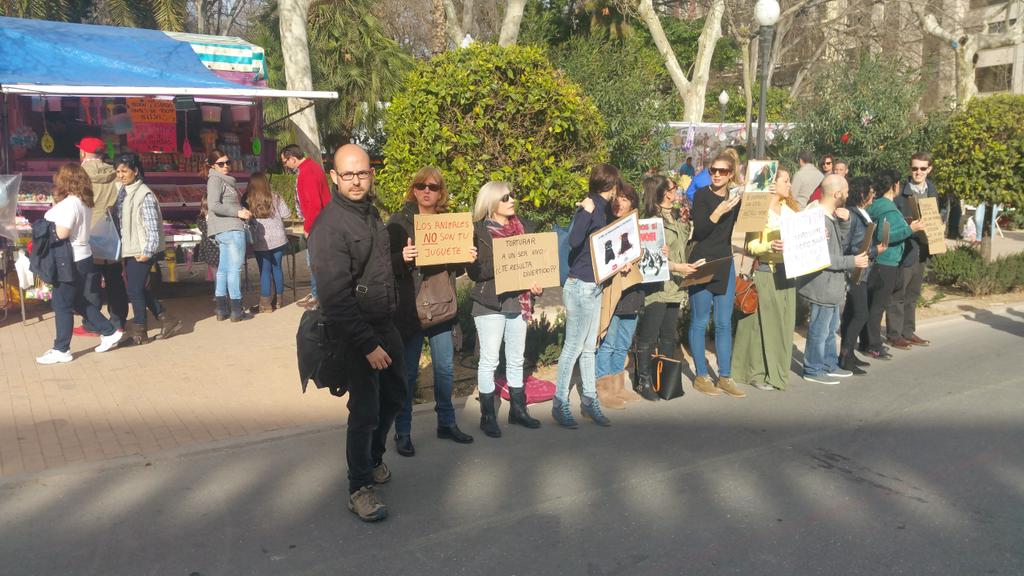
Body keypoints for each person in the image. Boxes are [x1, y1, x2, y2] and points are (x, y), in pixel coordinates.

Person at [309, 144, 405, 522]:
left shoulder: (370, 213)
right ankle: (359, 487)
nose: (355, 180)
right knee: (364, 411)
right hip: (355, 334)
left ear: (371, 174)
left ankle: (373, 458)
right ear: (334, 176)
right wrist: (367, 345)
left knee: (395, 397)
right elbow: (335, 298)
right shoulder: (330, 226)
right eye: (347, 174)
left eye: (362, 173)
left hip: (385, 324)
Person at [387, 167, 476, 455]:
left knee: (445, 370)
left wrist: (467, 257)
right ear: (413, 189)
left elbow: (456, 267)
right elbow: (383, 263)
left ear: (441, 193)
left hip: (443, 306)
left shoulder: (449, 223)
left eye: (433, 187)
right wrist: (401, 257)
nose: (427, 191)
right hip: (411, 310)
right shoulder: (398, 222)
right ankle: (402, 431)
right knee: (408, 373)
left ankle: (446, 423)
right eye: (421, 186)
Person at [467, 181, 543, 437]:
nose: (512, 201)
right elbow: (475, 273)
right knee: (490, 360)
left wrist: (535, 284)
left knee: (516, 358)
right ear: (491, 202)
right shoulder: (477, 231)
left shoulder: (524, 228)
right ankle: (488, 416)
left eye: (512, 196)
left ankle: (518, 410)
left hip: (517, 301)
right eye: (505, 197)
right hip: (490, 303)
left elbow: (534, 265)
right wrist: (504, 263)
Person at [552, 164, 619, 428]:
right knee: (573, 347)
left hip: (593, 284)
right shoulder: (590, 206)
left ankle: (589, 400)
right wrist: (586, 212)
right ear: (611, 185)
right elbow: (574, 240)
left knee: (590, 347)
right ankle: (560, 402)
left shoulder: (604, 209)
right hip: (580, 284)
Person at [35, 164, 123, 364]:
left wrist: (45, 228)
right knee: (78, 301)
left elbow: (62, 233)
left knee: (62, 304)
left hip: (69, 259)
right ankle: (109, 331)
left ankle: (62, 349)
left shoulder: (70, 204)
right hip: (83, 256)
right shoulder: (83, 202)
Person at [632, 176, 700, 400]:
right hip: (658, 286)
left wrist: (686, 222)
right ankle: (643, 381)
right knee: (649, 334)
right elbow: (650, 258)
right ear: (665, 193)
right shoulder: (652, 221)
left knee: (669, 335)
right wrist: (677, 266)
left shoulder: (675, 216)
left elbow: (681, 246)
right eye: (674, 188)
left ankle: (664, 379)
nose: (677, 191)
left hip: (675, 285)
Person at [732, 168, 799, 391]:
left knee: (783, 324)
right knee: (762, 325)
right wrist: (770, 245)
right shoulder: (759, 211)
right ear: (773, 184)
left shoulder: (790, 210)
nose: (789, 185)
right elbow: (751, 246)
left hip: (788, 272)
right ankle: (757, 372)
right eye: (785, 181)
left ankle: (777, 370)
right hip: (767, 271)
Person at [799, 175, 868, 385]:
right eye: (845, 192)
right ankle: (813, 369)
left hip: (832, 286)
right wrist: (852, 261)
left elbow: (838, 244)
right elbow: (822, 257)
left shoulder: (829, 215)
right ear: (837, 194)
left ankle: (829, 364)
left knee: (830, 328)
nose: (847, 195)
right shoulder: (816, 217)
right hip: (822, 285)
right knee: (819, 330)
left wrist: (845, 224)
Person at [688, 152, 744, 398]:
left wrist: (765, 192)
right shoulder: (702, 195)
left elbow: (753, 218)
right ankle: (701, 376)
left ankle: (725, 376)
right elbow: (700, 231)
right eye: (713, 170)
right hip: (702, 261)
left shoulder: (736, 198)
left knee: (723, 322)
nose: (717, 175)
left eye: (723, 171)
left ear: (730, 174)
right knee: (700, 321)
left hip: (725, 262)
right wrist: (718, 211)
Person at [113, 154, 181, 345]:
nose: (120, 175)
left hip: (141, 249)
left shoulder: (145, 195)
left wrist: (147, 252)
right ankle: (166, 319)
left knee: (134, 290)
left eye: (124, 171)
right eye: (118, 171)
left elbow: (152, 227)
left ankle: (140, 332)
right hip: (129, 247)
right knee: (139, 289)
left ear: (135, 171)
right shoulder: (123, 191)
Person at [594, 182, 646, 408]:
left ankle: (618, 386)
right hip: (612, 293)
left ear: (632, 203)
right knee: (608, 342)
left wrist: (661, 251)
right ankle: (603, 389)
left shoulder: (638, 228)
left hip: (633, 292)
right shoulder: (604, 226)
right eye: (616, 198)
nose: (618, 202)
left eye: (624, 199)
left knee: (623, 343)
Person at [864, 170, 924, 360]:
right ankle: (874, 345)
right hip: (887, 261)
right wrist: (910, 229)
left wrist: (904, 225)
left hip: (880, 261)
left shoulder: (877, 204)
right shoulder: (888, 208)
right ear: (894, 185)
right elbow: (885, 236)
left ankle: (867, 342)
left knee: (873, 304)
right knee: (877, 306)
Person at [76, 137, 128, 336]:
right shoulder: (115, 173)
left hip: (88, 234)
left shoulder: (80, 175)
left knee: (91, 281)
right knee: (115, 280)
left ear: (83, 152)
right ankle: (119, 322)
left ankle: (93, 324)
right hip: (111, 233)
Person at [886, 152, 938, 349]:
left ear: (929, 169)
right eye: (915, 168)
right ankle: (894, 334)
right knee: (898, 293)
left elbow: (935, 217)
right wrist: (909, 226)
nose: (918, 172)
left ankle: (908, 331)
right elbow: (893, 222)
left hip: (923, 249)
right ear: (910, 168)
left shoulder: (932, 190)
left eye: (923, 168)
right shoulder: (901, 193)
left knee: (913, 294)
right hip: (905, 249)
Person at [838, 176, 883, 375]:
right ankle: (845, 356)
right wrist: (874, 250)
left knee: (851, 312)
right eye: (871, 193)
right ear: (863, 193)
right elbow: (851, 246)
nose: (873, 196)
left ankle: (848, 353)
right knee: (861, 313)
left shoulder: (860, 213)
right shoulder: (853, 215)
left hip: (863, 269)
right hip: (856, 270)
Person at [281, 144, 332, 309]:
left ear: (292, 158)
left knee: (315, 262)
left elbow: (314, 204)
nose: (285, 166)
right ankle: (317, 294)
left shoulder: (307, 172)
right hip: (320, 223)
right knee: (315, 262)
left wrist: (308, 228)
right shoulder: (311, 168)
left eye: (285, 162)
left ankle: (319, 298)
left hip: (318, 225)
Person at [206, 148, 252, 322]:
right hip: (230, 229)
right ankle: (236, 310)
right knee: (234, 270)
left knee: (224, 270)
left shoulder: (224, 180)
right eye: (221, 164)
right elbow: (214, 205)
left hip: (225, 230)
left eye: (228, 162)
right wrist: (238, 212)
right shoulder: (216, 179)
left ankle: (221, 309)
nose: (225, 166)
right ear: (213, 165)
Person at [245, 172, 290, 313]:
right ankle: (279, 301)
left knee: (264, 270)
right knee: (277, 268)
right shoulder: (275, 196)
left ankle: (265, 304)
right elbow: (287, 214)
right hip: (279, 238)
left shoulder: (249, 200)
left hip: (261, 240)